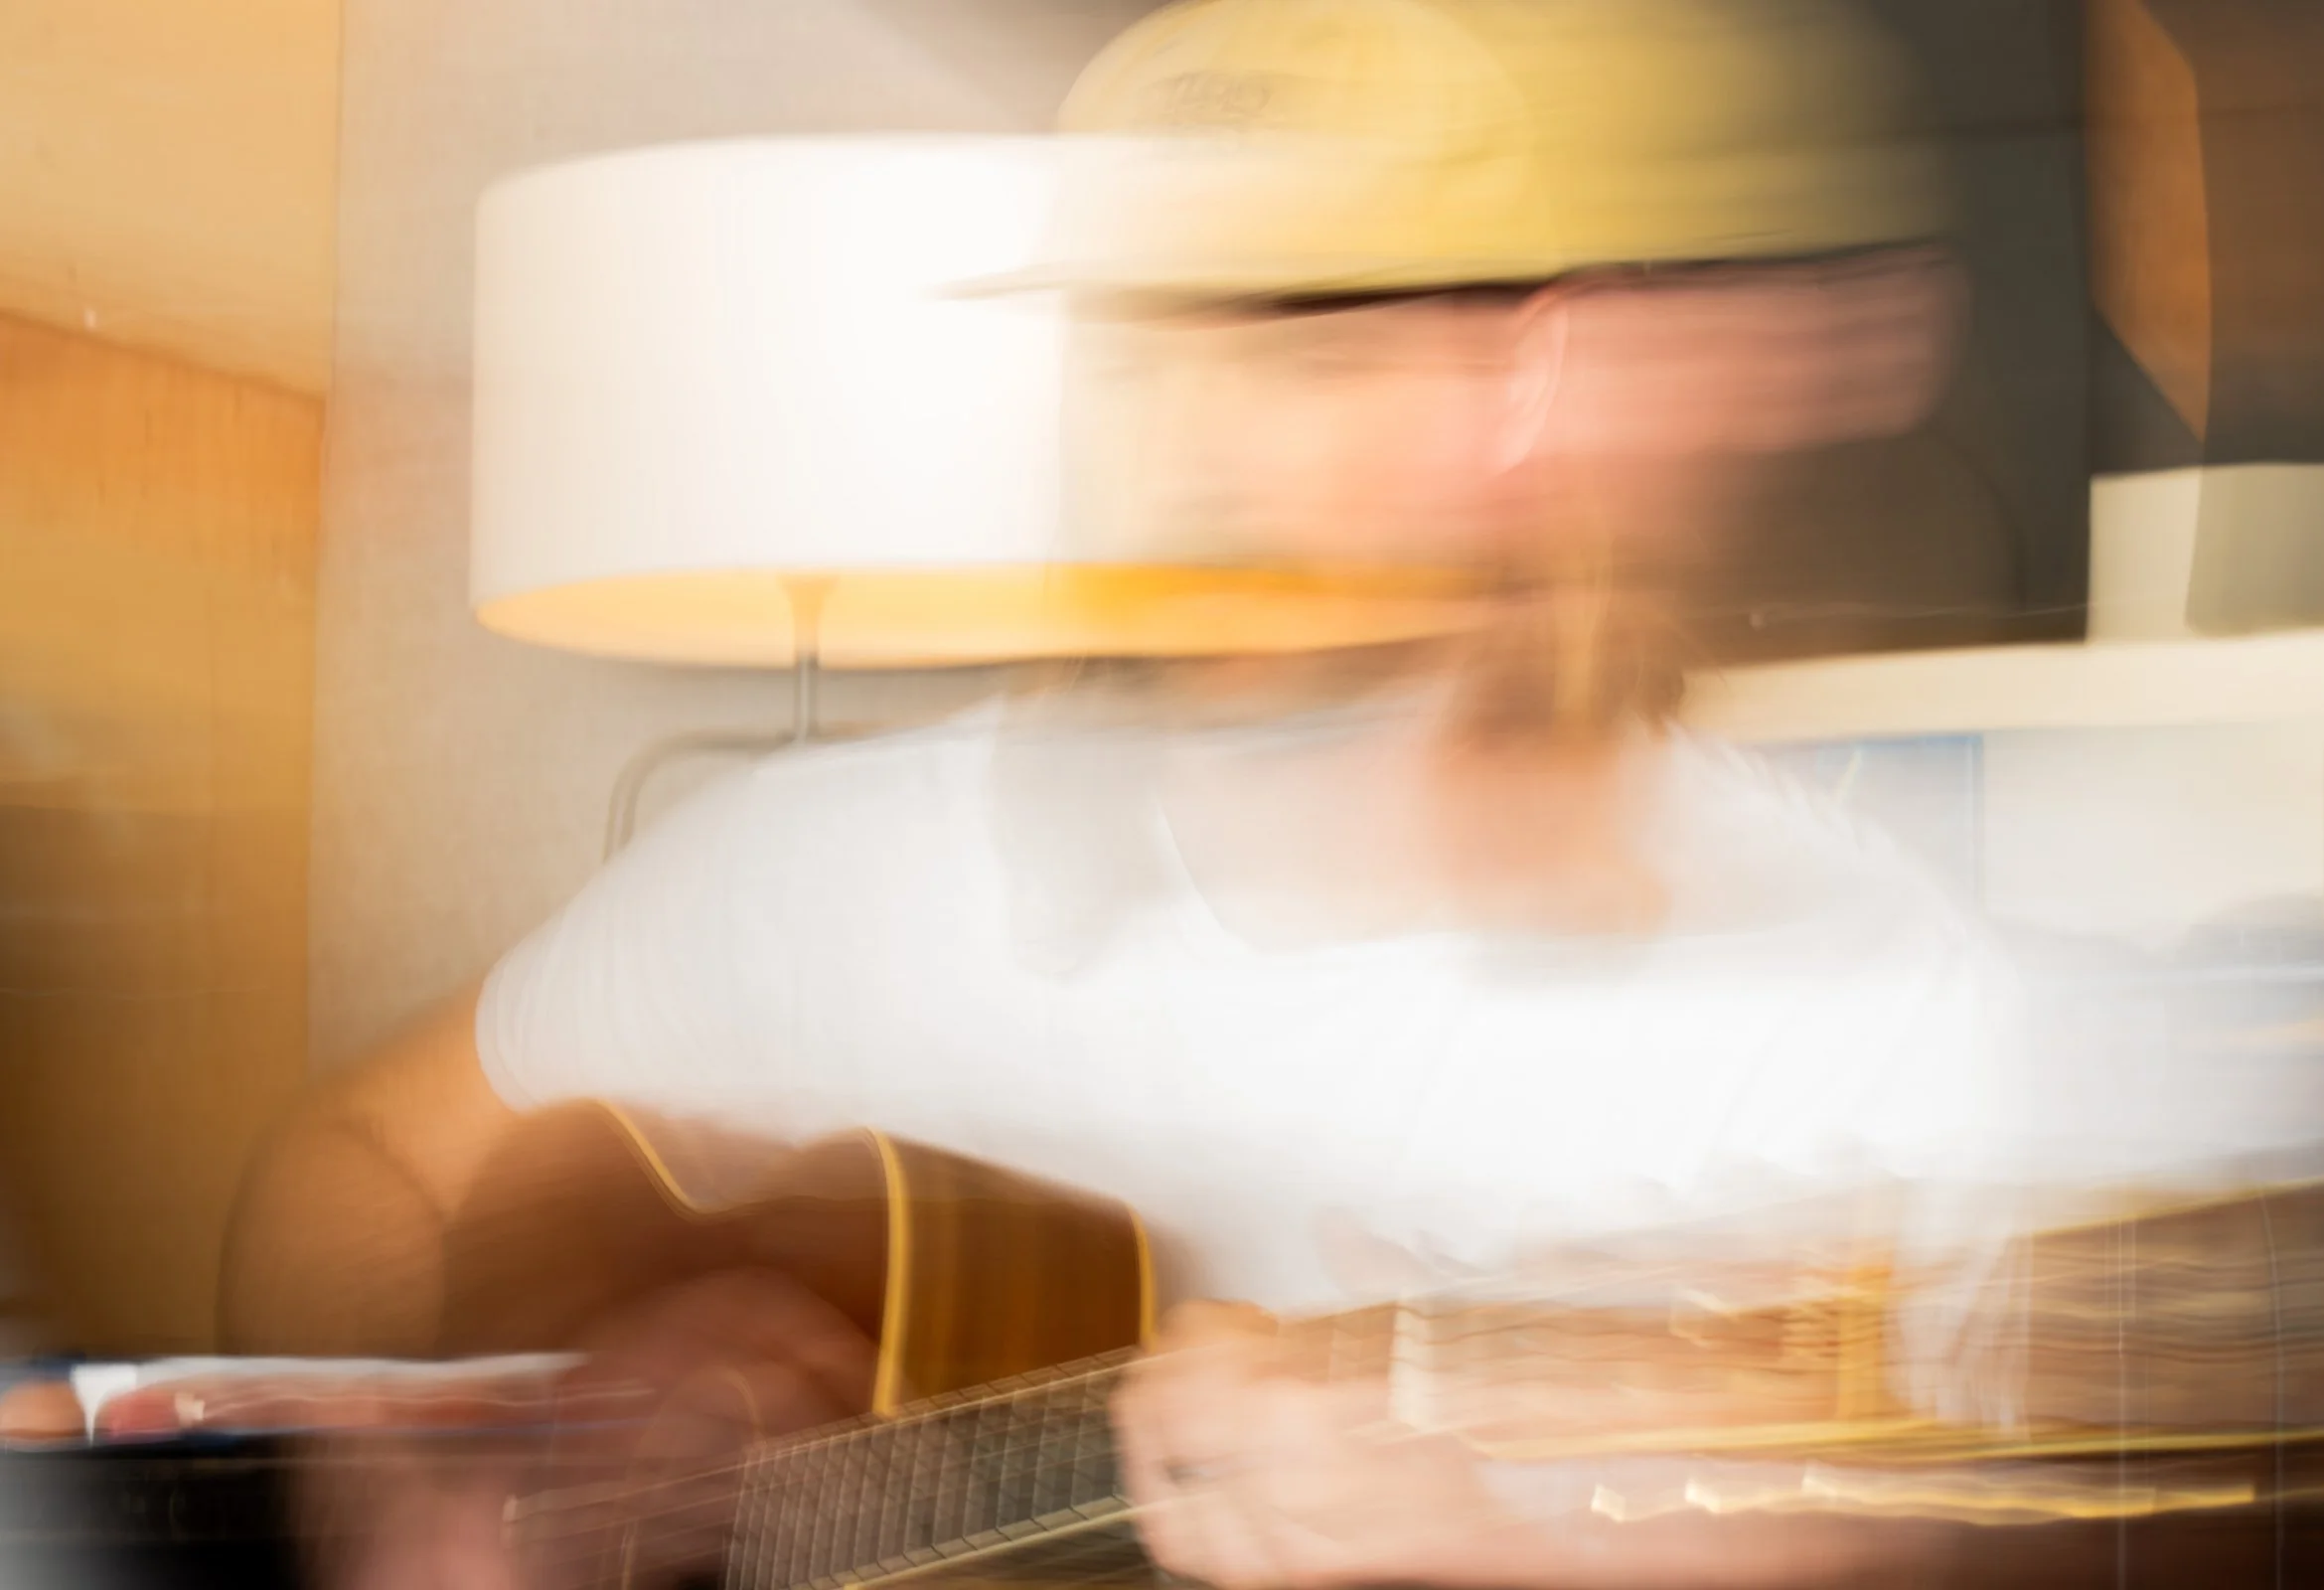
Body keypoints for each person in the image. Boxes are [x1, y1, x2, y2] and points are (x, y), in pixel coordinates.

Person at [223, 1, 2026, 1584]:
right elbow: (355, 1170)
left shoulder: (1859, 975)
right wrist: (432, 1466)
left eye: (1288, 343)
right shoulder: (833, 868)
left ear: (1529, 379)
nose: (1179, 438)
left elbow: (1967, 1507)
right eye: (1142, 343)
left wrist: (1554, 1525)